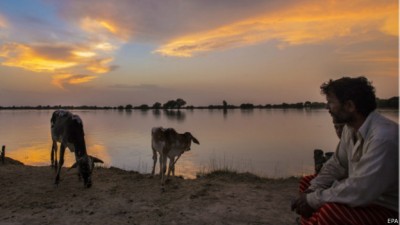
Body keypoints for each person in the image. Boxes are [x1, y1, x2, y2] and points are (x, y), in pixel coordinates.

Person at [292, 76, 399, 225]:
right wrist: (311, 192)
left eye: (330, 102)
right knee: (307, 184)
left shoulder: (383, 138)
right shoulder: (350, 129)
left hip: (392, 215)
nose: (327, 108)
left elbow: (360, 190)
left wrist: (312, 200)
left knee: (330, 212)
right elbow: (337, 164)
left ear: (349, 106)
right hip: (367, 202)